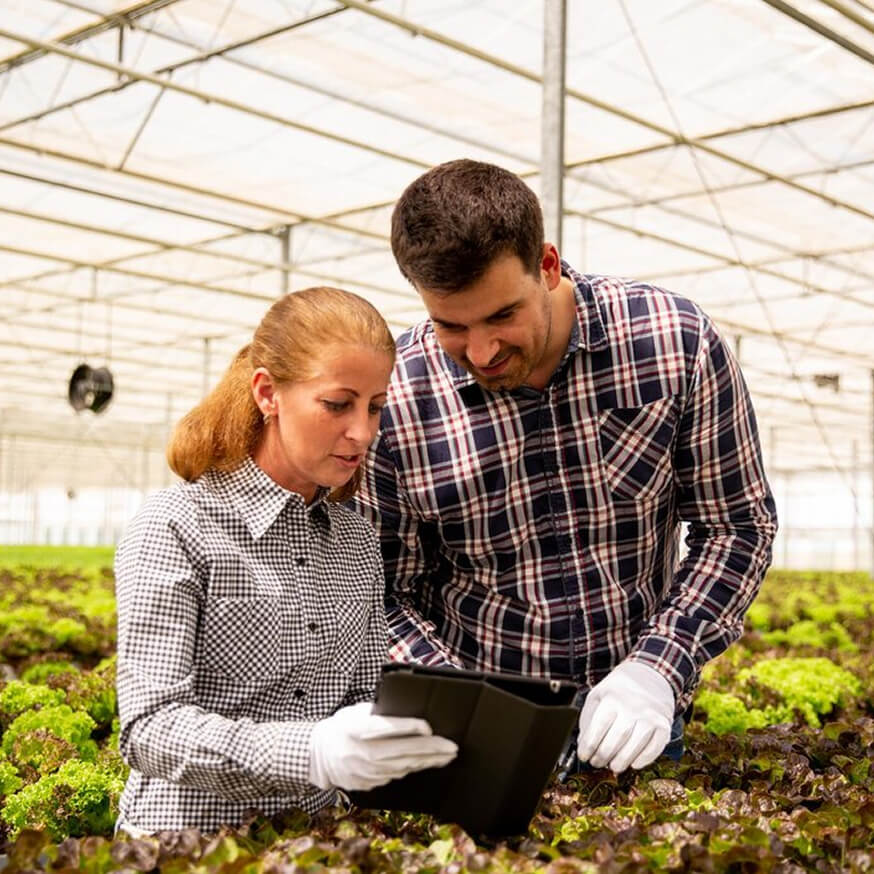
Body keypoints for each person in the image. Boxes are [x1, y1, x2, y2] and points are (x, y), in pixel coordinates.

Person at [352, 160, 778, 776]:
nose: (481, 352)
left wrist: (658, 666)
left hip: (638, 722)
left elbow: (737, 527)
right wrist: (469, 708)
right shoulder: (400, 396)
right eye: (451, 326)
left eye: (502, 315)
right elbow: (380, 591)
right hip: (478, 740)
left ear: (547, 266)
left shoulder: (672, 341)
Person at [114, 286, 457, 836]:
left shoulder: (356, 541)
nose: (363, 433)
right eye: (337, 404)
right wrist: (310, 752)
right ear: (268, 393)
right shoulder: (177, 525)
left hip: (315, 845)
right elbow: (149, 729)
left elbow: (363, 699)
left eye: (375, 407)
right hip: (186, 847)